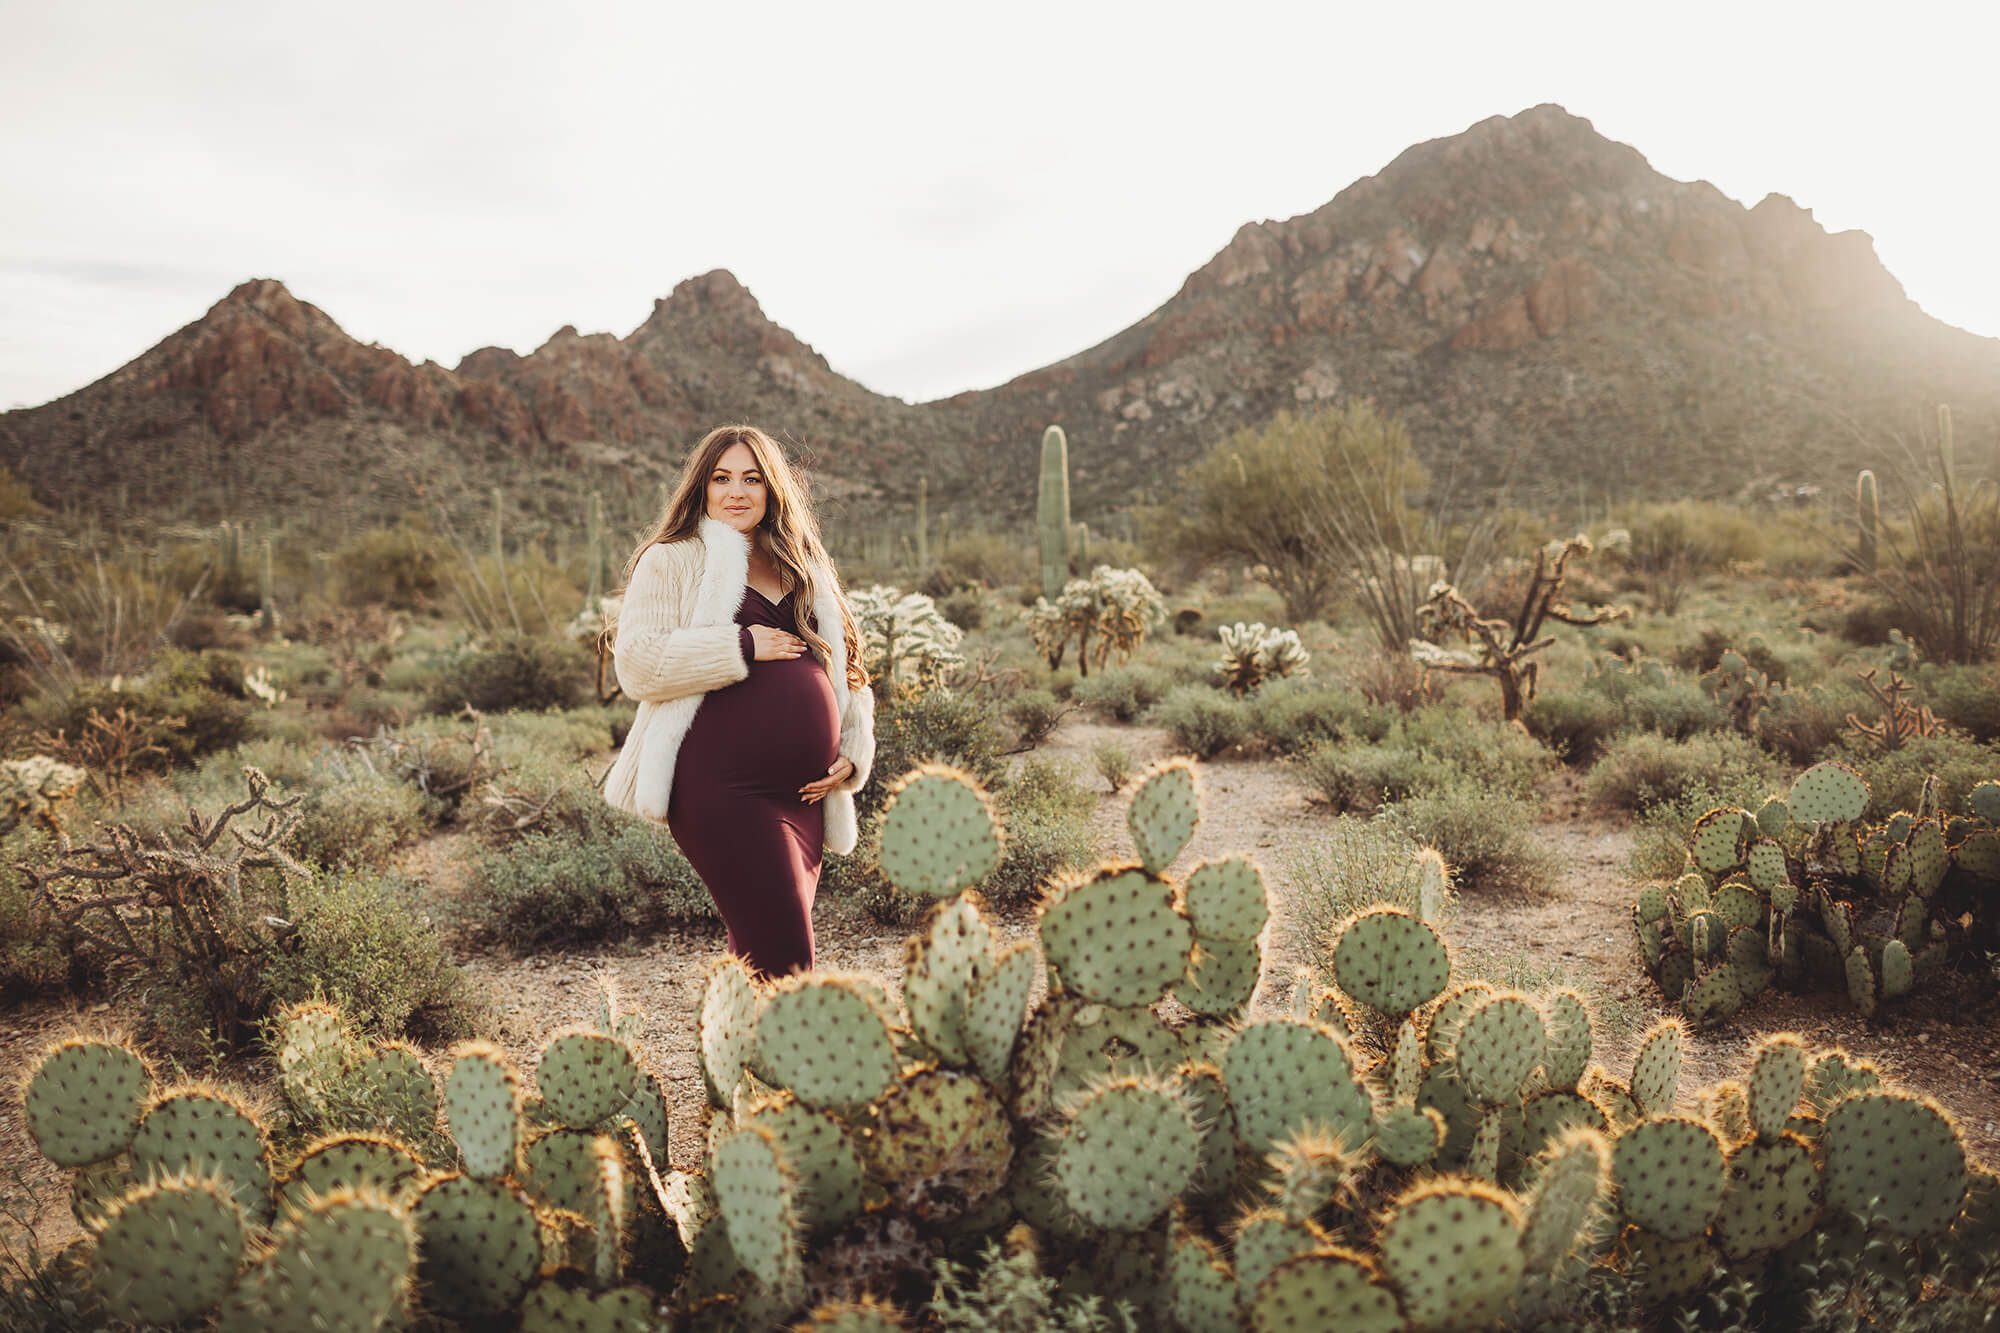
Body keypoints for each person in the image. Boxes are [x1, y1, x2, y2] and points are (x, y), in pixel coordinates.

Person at [599, 424, 875, 977]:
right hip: (720, 788)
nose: (736, 492)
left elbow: (848, 669)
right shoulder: (672, 559)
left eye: (752, 479)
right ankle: (796, 1062)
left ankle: (740, 1060)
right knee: (787, 955)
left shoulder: (803, 564)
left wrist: (852, 750)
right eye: (722, 479)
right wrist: (742, 644)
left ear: (773, 489)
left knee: (760, 950)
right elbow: (637, 662)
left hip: (803, 798)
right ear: (701, 488)